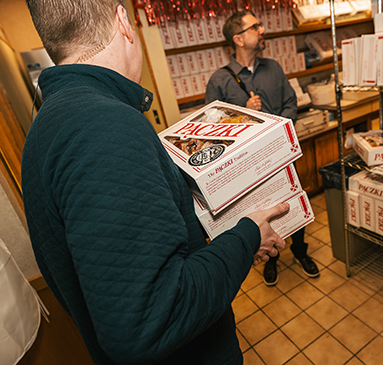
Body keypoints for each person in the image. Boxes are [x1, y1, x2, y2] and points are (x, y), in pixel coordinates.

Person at [21, 1, 289, 364]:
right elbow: (150, 319)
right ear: (123, 23)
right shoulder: (105, 126)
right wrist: (247, 236)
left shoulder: (48, 123)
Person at [205, 10, 320, 286]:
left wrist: (279, 131)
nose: (263, 29)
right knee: (265, 211)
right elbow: (211, 128)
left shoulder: (274, 68)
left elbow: (290, 102)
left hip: (282, 156)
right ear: (239, 39)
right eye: (255, 26)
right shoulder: (219, 80)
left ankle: (300, 251)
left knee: (292, 203)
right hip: (249, 167)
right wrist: (242, 113)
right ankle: (273, 261)